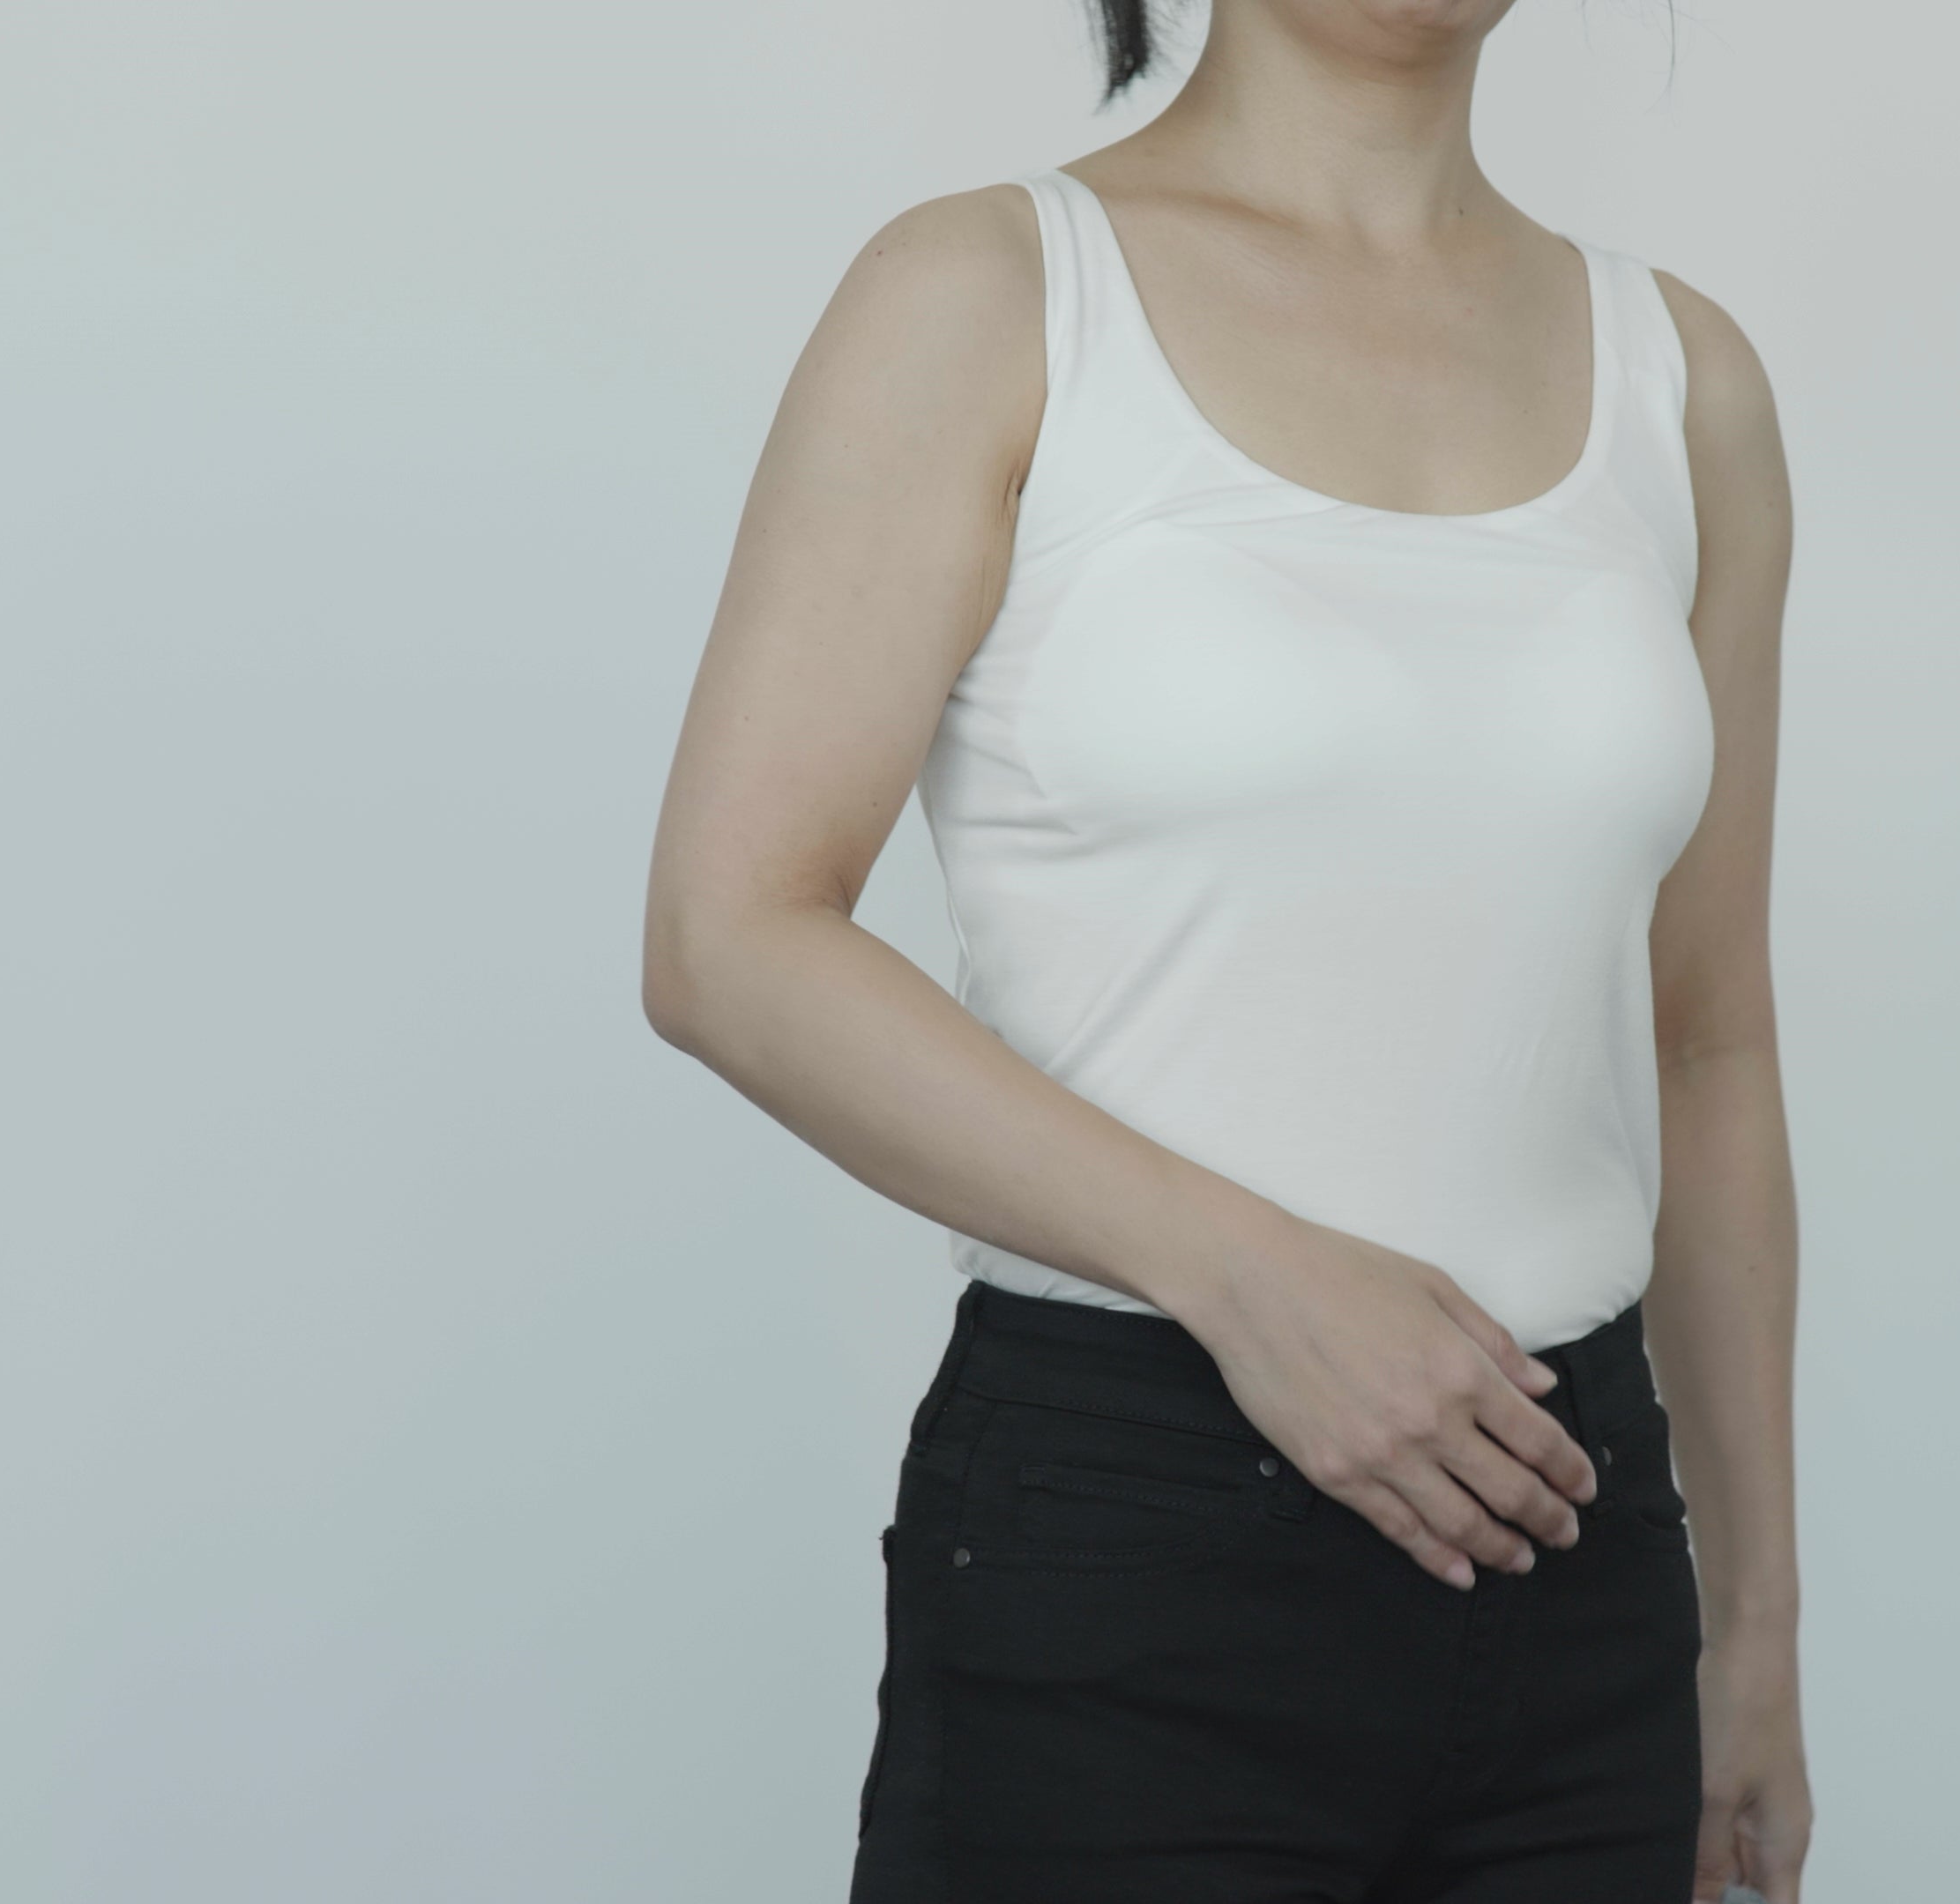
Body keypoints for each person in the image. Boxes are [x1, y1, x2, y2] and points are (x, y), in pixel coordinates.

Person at [639, 2, 1807, 1897]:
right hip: (1132, 1543)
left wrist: (1752, 1624)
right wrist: (1248, 1278)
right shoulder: (989, 297)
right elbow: (730, 935)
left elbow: (1708, 1041)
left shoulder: (1687, 384)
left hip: (1578, 1549)